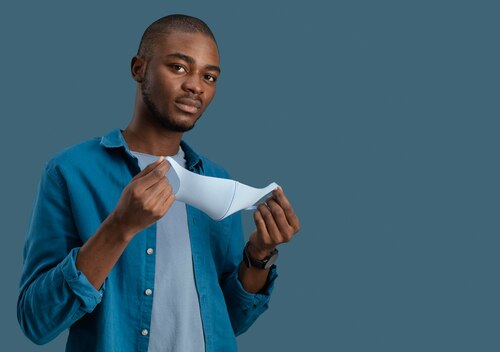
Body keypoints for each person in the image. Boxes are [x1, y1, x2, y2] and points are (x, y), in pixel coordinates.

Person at [17, 14, 300, 352]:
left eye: (209, 76)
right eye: (179, 67)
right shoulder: (70, 172)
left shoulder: (219, 182)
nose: (196, 85)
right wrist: (120, 227)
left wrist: (258, 255)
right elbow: (36, 321)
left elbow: (229, 321)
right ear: (139, 69)